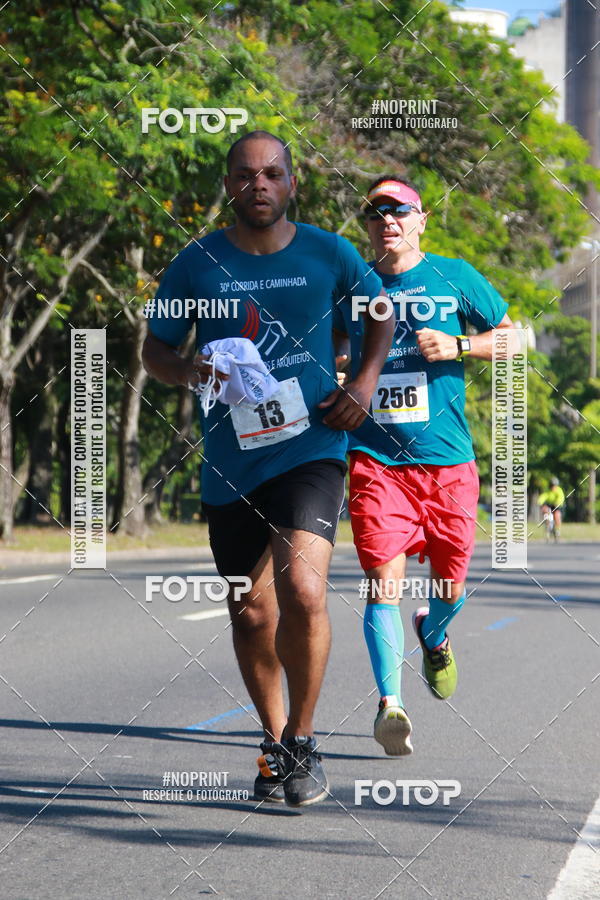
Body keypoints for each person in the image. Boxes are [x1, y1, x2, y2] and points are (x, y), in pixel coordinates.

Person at [142, 132, 393, 805]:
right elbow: (154, 349)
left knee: (303, 591)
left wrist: (363, 384)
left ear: (291, 185)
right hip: (230, 459)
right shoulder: (196, 263)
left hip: (311, 448)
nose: (260, 184)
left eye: (273, 173)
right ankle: (276, 739)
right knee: (251, 612)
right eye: (247, 175)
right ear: (228, 185)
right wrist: (186, 369)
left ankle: (305, 742)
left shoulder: (329, 252)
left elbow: (380, 312)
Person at [334, 175, 517, 756]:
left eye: (399, 210)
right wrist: (340, 373)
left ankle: (434, 634)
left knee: (450, 586)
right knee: (381, 584)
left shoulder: (456, 276)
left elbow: (516, 339)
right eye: (375, 212)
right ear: (366, 224)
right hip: (375, 458)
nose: (387, 219)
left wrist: (461, 346)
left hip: (448, 463)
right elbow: (334, 350)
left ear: (422, 218)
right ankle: (391, 705)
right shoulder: (352, 285)